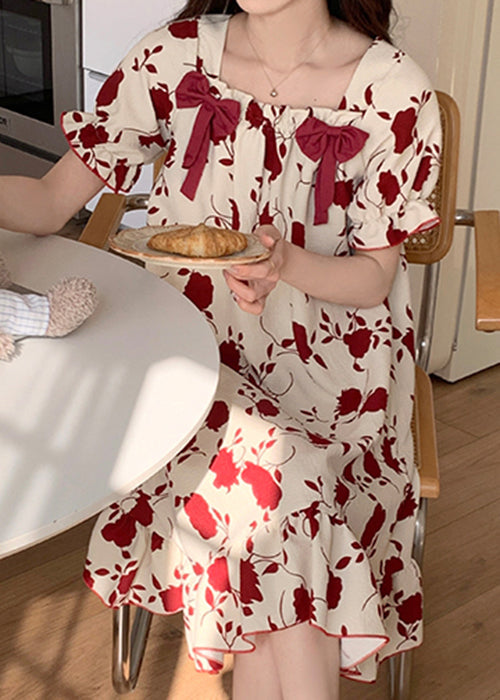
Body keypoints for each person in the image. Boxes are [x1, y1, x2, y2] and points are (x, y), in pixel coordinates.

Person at [0, 1, 442, 697]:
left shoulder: (395, 90)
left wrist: (286, 264)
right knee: (280, 490)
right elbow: (51, 203)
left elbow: (373, 280)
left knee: (278, 506)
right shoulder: (170, 58)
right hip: (188, 364)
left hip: (337, 382)